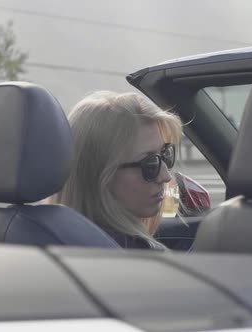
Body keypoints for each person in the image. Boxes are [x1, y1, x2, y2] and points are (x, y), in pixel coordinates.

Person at [53, 91, 183, 250]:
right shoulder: (133, 254)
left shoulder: (45, 234)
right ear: (100, 174)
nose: (166, 176)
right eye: (149, 164)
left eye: (165, 154)